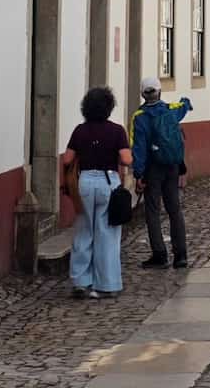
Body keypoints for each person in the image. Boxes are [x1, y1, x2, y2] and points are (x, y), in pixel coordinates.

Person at [64, 86, 132, 300]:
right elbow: (126, 159)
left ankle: (80, 281)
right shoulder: (117, 131)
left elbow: (67, 159)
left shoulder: (80, 130)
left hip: (85, 181)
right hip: (107, 182)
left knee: (84, 230)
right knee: (107, 233)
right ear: (109, 107)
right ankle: (106, 284)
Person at [130, 76, 192, 269]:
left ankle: (159, 255)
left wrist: (138, 174)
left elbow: (138, 148)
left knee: (153, 211)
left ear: (142, 94)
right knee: (174, 209)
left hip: (153, 168)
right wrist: (185, 101)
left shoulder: (139, 117)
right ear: (159, 91)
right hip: (172, 166)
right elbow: (185, 105)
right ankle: (180, 255)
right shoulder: (171, 110)